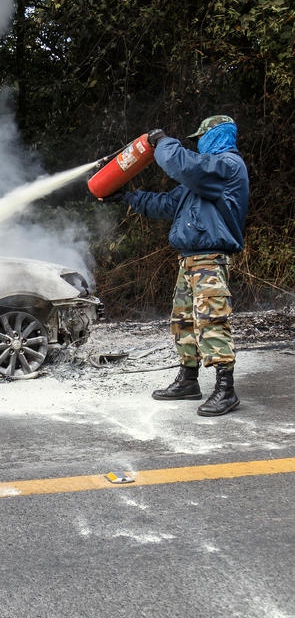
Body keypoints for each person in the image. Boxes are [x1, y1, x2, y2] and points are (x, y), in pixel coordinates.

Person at [101, 115, 249, 416]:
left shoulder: (226, 167)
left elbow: (182, 165)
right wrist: (127, 197)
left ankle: (225, 389)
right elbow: (166, 204)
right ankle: (189, 380)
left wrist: (162, 142)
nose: (198, 144)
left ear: (215, 135)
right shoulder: (204, 178)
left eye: (201, 138)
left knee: (211, 319)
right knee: (182, 322)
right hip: (189, 259)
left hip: (210, 257)